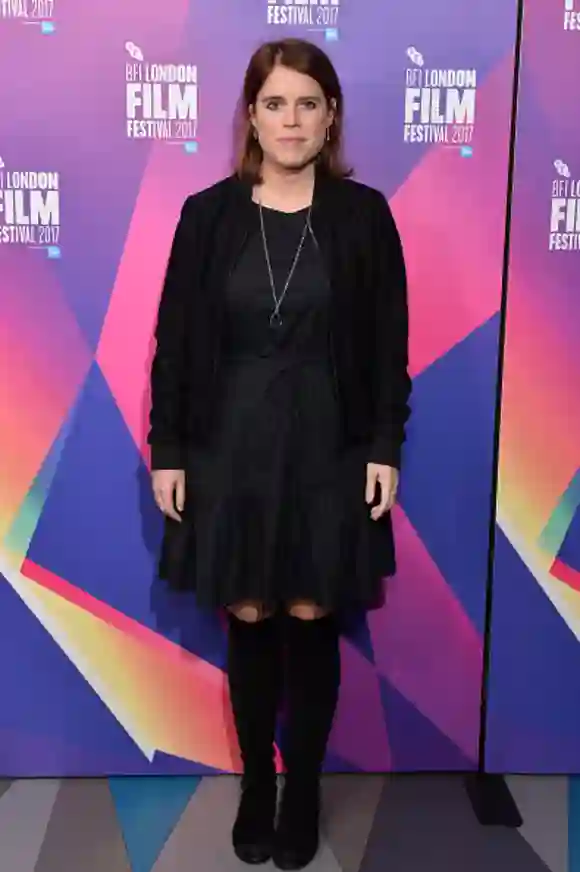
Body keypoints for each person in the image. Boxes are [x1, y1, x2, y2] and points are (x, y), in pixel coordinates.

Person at [148, 37, 411, 871]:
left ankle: (302, 790)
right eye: (274, 103)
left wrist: (383, 444)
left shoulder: (364, 215)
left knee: (309, 613)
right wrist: (169, 450)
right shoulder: (207, 214)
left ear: (330, 115)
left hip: (328, 445)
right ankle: (256, 785)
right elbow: (176, 342)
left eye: (307, 103)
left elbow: (386, 343)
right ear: (251, 117)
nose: (290, 120)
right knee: (253, 613)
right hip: (231, 446)